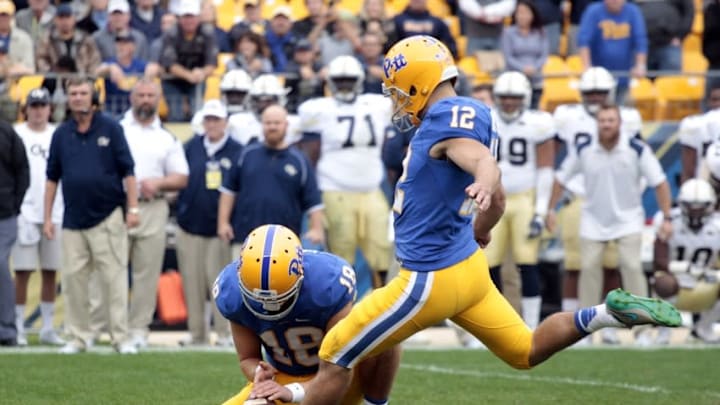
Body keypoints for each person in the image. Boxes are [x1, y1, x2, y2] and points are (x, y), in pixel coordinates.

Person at [298, 35, 681, 405]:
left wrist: (482, 178)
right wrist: (480, 229)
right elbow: (497, 200)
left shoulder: (443, 124)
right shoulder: (478, 113)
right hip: (469, 269)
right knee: (525, 350)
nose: (396, 99)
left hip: (427, 279)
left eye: (399, 89)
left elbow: (482, 162)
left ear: (418, 83)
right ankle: (604, 314)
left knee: (334, 352)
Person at [213, 224, 399, 405]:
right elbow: (248, 358)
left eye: (281, 299)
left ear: (300, 275)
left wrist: (293, 392)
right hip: (282, 379)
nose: (271, 307)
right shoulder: (231, 293)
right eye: (259, 299)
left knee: (379, 324)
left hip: (338, 378)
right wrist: (259, 374)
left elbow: (340, 363)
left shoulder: (327, 283)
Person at [547, 104, 673, 346]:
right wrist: (550, 209)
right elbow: (560, 178)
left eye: (611, 120)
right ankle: (583, 333)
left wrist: (666, 217)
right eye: (602, 120)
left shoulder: (636, 149)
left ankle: (642, 331)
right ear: (597, 123)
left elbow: (660, 182)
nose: (606, 125)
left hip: (628, 219)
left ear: (619, 123)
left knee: (632, 268)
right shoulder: (584, 148)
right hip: (593, 219)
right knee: (589, 272)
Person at [44, 76, 138, 355]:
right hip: (73, 219)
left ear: (93, 96)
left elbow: (128, 172)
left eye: (83, 93)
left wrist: (133, 209)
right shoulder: (61, 133)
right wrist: (48, 217)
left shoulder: (111, 127)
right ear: (67, 98)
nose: (77, 98)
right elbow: (52, 178)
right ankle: (78, 337)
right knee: (74, 282)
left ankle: (120, 338)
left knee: (114, 280)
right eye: (73, 93)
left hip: (108, 216)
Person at [551, 66, 643, 344]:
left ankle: (610, 323)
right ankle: (574, 323)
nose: (594, 98)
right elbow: (558, 156)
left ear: (610, 93)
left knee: (611, 266)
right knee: (576, 265)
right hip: (578, 195)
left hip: (611, 196)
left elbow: (638, 159)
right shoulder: (568, 117)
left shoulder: (625, 118)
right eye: (589, 92)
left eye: (599, 93)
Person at [298, 55, 392, 287]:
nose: (344, 86)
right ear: (330, 82)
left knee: (381, 251)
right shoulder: (318, 108)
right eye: (339, 81)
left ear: (359, 81)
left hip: (371, 188)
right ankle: (342, 306)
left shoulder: (377, 104)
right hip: (334, 189)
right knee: (341, 254)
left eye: (349, 81)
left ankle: (381, 303)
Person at [119, 78, 189, 348]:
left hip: (154, 206)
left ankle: (138, 328)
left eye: (150, 95)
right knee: (111, 270)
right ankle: (107, 325)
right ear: (131, 98)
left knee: (147, 272)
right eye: (141, 95)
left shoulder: (166, 137)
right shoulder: (118, 129)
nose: (146, 100)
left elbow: (182, 177)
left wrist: (158, 183)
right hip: (120, 206)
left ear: (158, 99)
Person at [482, 71, 555, 329]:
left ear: (525, 98)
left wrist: (541, 210)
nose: (509, 103)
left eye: (514, 97)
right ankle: (491, 324)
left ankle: (533, 327)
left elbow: (546, 169)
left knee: (527, 264)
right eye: (505, 97)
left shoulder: (539, 123)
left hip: (524, 199)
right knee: (488, 266)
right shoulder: (486, 119)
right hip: (491, 199)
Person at [175, 99, 241, 347]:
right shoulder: (190, 147)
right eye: (208, 119)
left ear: (225, 122)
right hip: (190, 225)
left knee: (221, 285)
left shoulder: (238, 151)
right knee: (192, 283)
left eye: (217, 119)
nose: (212, 124)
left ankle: (224, 334)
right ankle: (197, 333)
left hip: (220, 230)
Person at [217, 104, 324, 255]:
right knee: (241, 279)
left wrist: (316, 228)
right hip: (246, 239)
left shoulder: (299, 160)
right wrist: (223, 223)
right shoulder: (246, 154)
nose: (272, 127)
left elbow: (313, 199)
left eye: (277, 123)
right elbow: (228, 191)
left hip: (285, 243)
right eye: (268, 123)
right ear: (262, 125)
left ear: (286, 125)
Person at [11, 88, 65, 347]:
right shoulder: (17, 134)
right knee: (22, 271)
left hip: (54, 212)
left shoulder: (58, 134)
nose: (38, 110)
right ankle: (18, 326)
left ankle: (47, 326)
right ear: (26, 109)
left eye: (42, 105)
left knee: (51, 271)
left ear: (49, 108)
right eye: (34, 106)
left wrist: (55, 212)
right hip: (25, 211)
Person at [648, 179, 720, 344]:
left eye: (700, 206)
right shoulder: (669, 222)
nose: (695, 211)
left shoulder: (717, 225)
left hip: (705, 281)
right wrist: (685, 268)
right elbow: (658, 261)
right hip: (675, 280)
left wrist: (714, 273)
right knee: (662, 282)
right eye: (690, 206)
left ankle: (703, 328)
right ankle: (663, 332)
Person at [577, 0, 648, 104]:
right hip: (598, 81)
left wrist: (640, 65)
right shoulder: (593, 11)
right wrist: (587, 67)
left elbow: (640, 41)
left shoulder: (633, 11)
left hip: (623, 77)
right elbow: (584, 41)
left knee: (620, 112)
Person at [0, 117, 30, 347]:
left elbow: (23, 171)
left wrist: (14, 205)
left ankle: (7, 330)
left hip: (4, 215)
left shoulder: (6, 132)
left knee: (0, 264)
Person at [500, 0, 548, 109]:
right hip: (514, 79)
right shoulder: (508, 33)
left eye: (526, 12)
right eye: (519, 12)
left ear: (533, 14)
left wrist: (534, 68)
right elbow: (508, 57)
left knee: (534, 109)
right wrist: (523, 69)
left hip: (535, 78)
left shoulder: (541, 32)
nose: (522, 16)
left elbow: (544, 55)